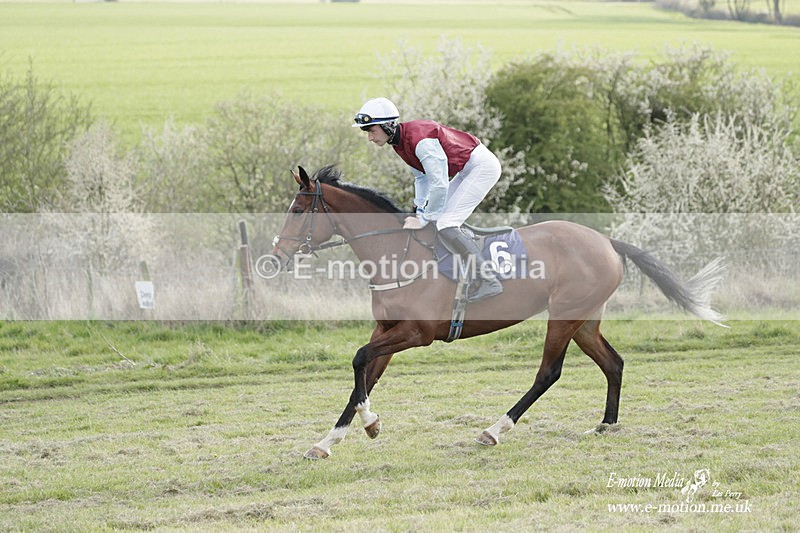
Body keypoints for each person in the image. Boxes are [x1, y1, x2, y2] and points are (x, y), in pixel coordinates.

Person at [353, 97, 503, 302]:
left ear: (388, 126)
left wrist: (425, 217)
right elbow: (421, 177)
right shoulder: (399, 142)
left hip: (481, 168)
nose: (369, 137)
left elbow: (440, 184)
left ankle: (488, 280)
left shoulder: (420, 141)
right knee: (437, 219)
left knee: (446, 222)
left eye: (371, 130)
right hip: (466, 169)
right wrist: (418, 209)